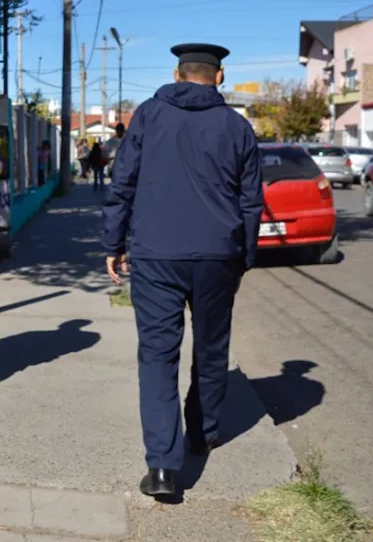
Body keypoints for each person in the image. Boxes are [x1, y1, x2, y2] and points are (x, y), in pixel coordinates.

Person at [101, 43, 264, 497]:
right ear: (220, 76)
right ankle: (203, 433)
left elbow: (123, 183)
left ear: (177, 74)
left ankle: (162, 468)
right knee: (211, 349)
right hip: (217, 255)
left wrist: (114, 242)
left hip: (155, 254)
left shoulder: (148, 116)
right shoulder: (237, 126)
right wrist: (244, 256)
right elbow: (251, 201)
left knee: (157, 355)